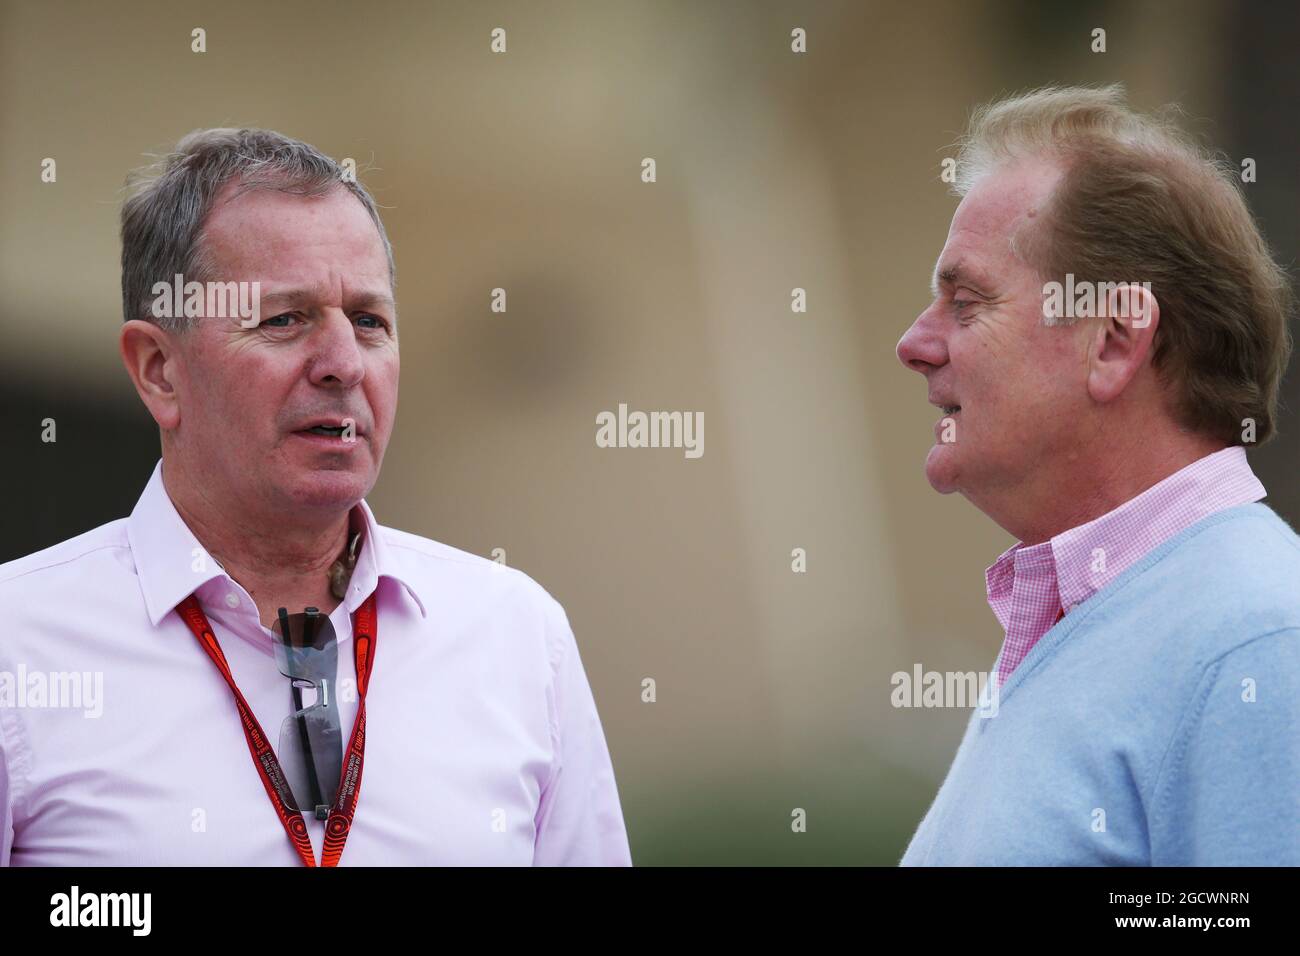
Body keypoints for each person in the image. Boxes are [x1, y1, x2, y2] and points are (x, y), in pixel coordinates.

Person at [0, 128, 632, 866]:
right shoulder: (21, 644)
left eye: (368, 321)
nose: (342, 365)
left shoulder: (520, 637)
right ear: (159, 372)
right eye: (284, 319)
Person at [894, 85, 1299, 865]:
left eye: (966, 301)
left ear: (1113, 339)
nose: (914, 344)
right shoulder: (1108, 613)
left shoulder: (1254, 640)